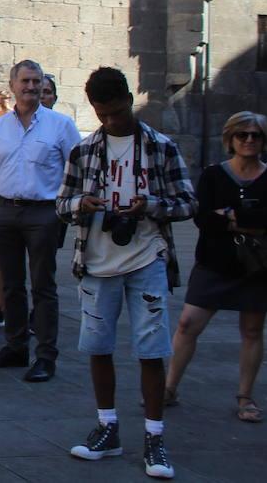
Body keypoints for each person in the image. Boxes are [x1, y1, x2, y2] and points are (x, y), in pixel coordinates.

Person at [57, 67, 195, 478]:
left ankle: (155, 436)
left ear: (130, 101)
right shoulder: (84, 152)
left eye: (117, 113)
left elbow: (188, 202)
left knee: (151, 349)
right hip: (97, 262)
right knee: (98, 347)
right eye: (103, 115)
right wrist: (82, 204)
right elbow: (60, 206)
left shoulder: (160, 147)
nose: (111, 122)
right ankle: (107, 427)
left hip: (146, 257)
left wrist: (150, 205)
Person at [0, 60, 81, 382]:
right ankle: (15, 346)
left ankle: (46, 356)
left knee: (43, 286)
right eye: (25, 81)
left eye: (36, 81)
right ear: (13, 85)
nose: (31, 87)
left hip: (43, 212)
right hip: (5, 211)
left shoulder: (60, 126)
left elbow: (78, 170)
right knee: (11, 285)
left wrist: (65, 210)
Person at [164, 111, 267, 424]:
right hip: (214, 263)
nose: (249, 140)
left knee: (252, 330)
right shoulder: (213, 175)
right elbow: (204, 219)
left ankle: (245, 396)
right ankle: (169, 388)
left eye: (256, 135)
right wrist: (249, 221)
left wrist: (233, 218)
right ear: (230, 139)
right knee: (187, 324)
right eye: (242, 135)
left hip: (257, 267)